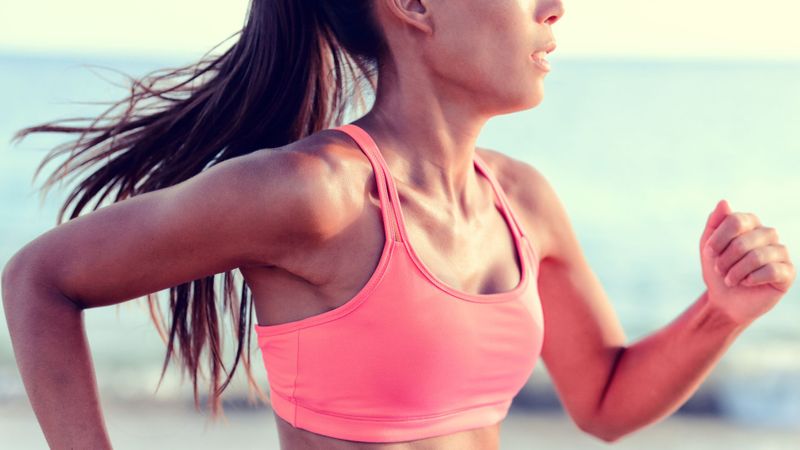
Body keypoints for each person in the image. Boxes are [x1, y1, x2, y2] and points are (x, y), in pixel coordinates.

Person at [1, 0, 795, 449]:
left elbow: (605, 402)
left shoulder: (523, 201)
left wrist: (721, 312)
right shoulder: (317, 193)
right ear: (413, 5)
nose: (557, 7)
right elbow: (40, 278)